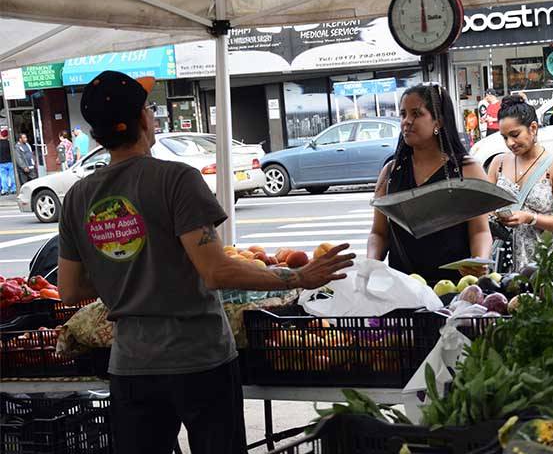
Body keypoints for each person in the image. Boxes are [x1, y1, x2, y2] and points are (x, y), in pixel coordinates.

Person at [57, 70, 355, 454]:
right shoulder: (175, 179)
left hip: (131, 365)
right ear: (144, 120)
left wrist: (130, 270)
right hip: (199, 359)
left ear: (96, 137)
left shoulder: (78, 197)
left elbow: (70, 290)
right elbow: (216, 271)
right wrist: (296, 276)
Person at [367, 84, 492, 284]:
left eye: (416, 113)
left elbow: (480, 230)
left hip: (455, 290)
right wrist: (370, 264)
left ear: (439, 121)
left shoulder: (466, 169)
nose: (406, 121)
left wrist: (478, 262)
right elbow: (379, 233)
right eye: (403, 114)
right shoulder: (390, 172)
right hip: (402, 289)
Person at [487, 95, 553, 271]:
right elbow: (485, 212)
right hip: (503, 266)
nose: (510, 143)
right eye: (504, 137)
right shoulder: (497, 164)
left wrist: (530, 218)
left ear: (533, 128)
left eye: (515, 135)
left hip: (542, 268)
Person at [0, 128, 14, 195]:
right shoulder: (10, 143)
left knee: (3, 176)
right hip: (10, 161)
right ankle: (13, 189)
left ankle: (5, 189)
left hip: (1, 162)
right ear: (7, 135)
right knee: (12, 175)